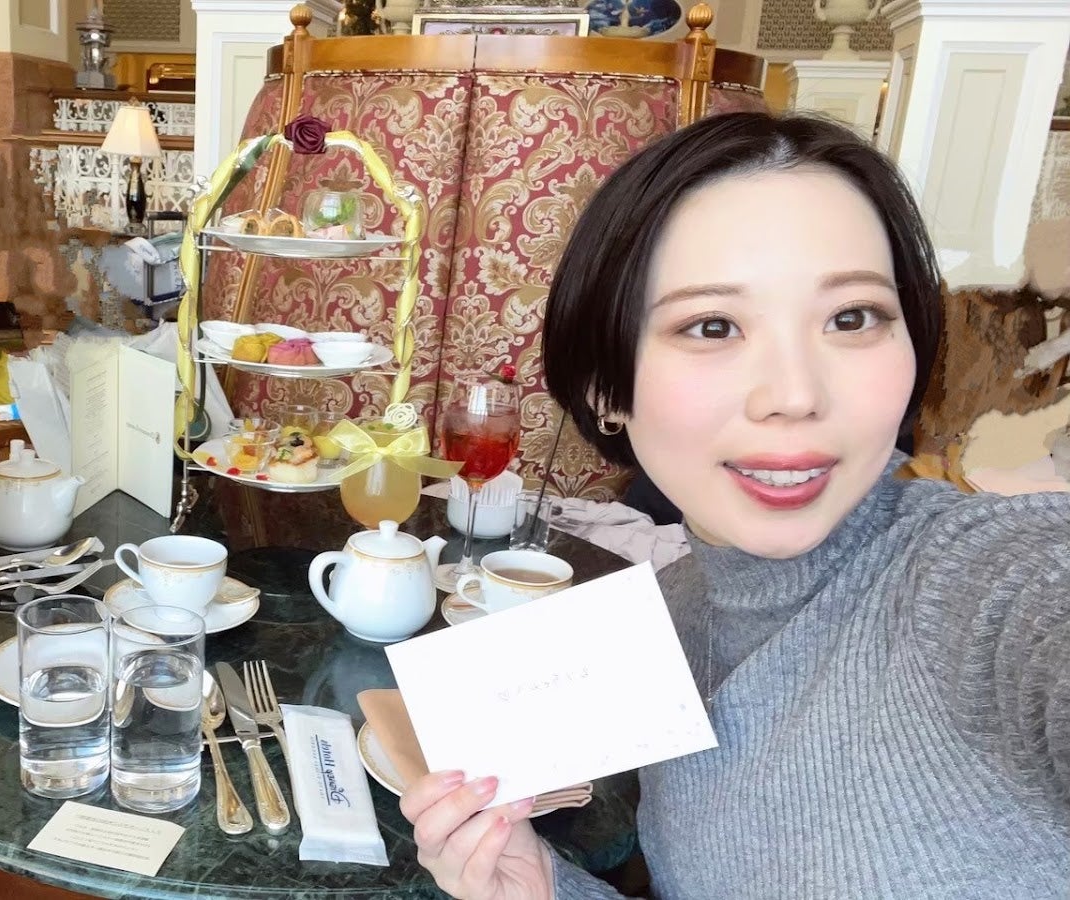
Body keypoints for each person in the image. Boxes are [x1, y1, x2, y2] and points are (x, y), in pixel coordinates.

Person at [401, 112, 1069, 899]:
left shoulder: (984, 582)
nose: (795, 394)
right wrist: (546, 889)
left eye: (852, 318)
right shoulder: (665, 625)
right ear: (606, 387)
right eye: (713, 326)